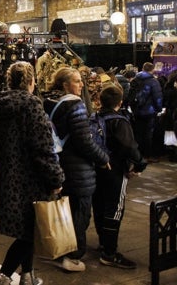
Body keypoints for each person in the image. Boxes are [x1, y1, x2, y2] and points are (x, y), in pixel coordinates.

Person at [0, 61, 65, 285]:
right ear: (31, 81)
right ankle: (2, 277)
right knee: (31, 230)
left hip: (7, 179)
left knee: (28, 229)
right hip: (32, 180)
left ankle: (27, 276)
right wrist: (56, 178)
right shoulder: (32, 105)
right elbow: (43, 147)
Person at [43, 67, 111, 272]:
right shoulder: (75, 105)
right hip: (78, 169)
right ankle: (72, 256)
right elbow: (84, 141)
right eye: (76, 81)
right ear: (65, 85)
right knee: (80, 214)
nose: (81, 85)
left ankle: (59, 249)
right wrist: (103, 158)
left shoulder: (49, 102)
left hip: (59, 164)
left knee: (64, 212)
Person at [92, 85, 147, 270]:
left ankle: (103, 242)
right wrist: (139, 164)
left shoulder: (95, 117)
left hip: (97, 168)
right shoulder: (119, 121)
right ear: (120, 102)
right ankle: (109, 253)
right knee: (115, 209)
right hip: (115, 170)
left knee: (99, 205)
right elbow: (129, 147)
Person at [128, 62, 163, 162]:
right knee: (148, 135)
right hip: (149, 112)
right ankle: (147, 156)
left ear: (143, 68)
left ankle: (137, 155)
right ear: (152, 70)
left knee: (138, 133)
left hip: (137, 111)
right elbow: (158, 97)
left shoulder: (135, 79)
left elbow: (130, 95)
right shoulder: (154, 81)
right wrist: (159, 109)